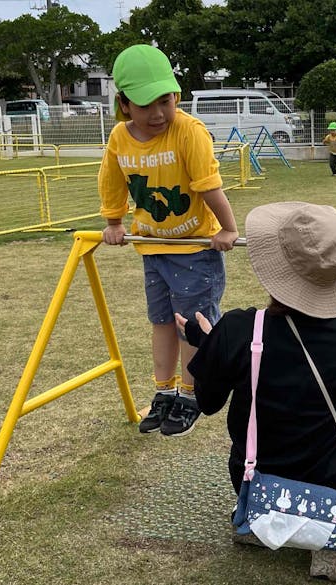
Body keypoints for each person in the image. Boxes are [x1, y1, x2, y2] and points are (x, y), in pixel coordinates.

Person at [183, 202, 336, 582]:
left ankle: (259, 518)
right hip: (329, 474)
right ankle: (334, 535)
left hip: (256, 473)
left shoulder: (238, 330)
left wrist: (210, 344)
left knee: (259, 462)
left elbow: (207, 402)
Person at [98, 44, 240, 437]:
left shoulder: (188, 132)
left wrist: (227, 229)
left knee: (189, 325)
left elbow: (208, 184)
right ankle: (164, 391)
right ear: (124, 105)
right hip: (152, 247)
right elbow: (111, 181)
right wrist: (113, 222)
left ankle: (192, 393)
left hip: (194, 246)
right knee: (161, 322)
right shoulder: (119, 139)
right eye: (146, 105)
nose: (159, 113)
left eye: (166, 100)